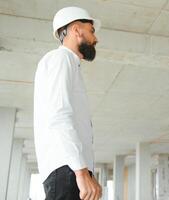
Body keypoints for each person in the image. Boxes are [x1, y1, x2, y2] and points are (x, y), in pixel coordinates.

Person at [34, 7, 102, 200]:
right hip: (67, 171)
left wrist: (87, 172)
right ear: (76, 29)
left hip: (71, 170)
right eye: (91, 30)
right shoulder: (60, 58)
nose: (95, 39)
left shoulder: (68, 63)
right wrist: (81, 172)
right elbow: (59, 115)